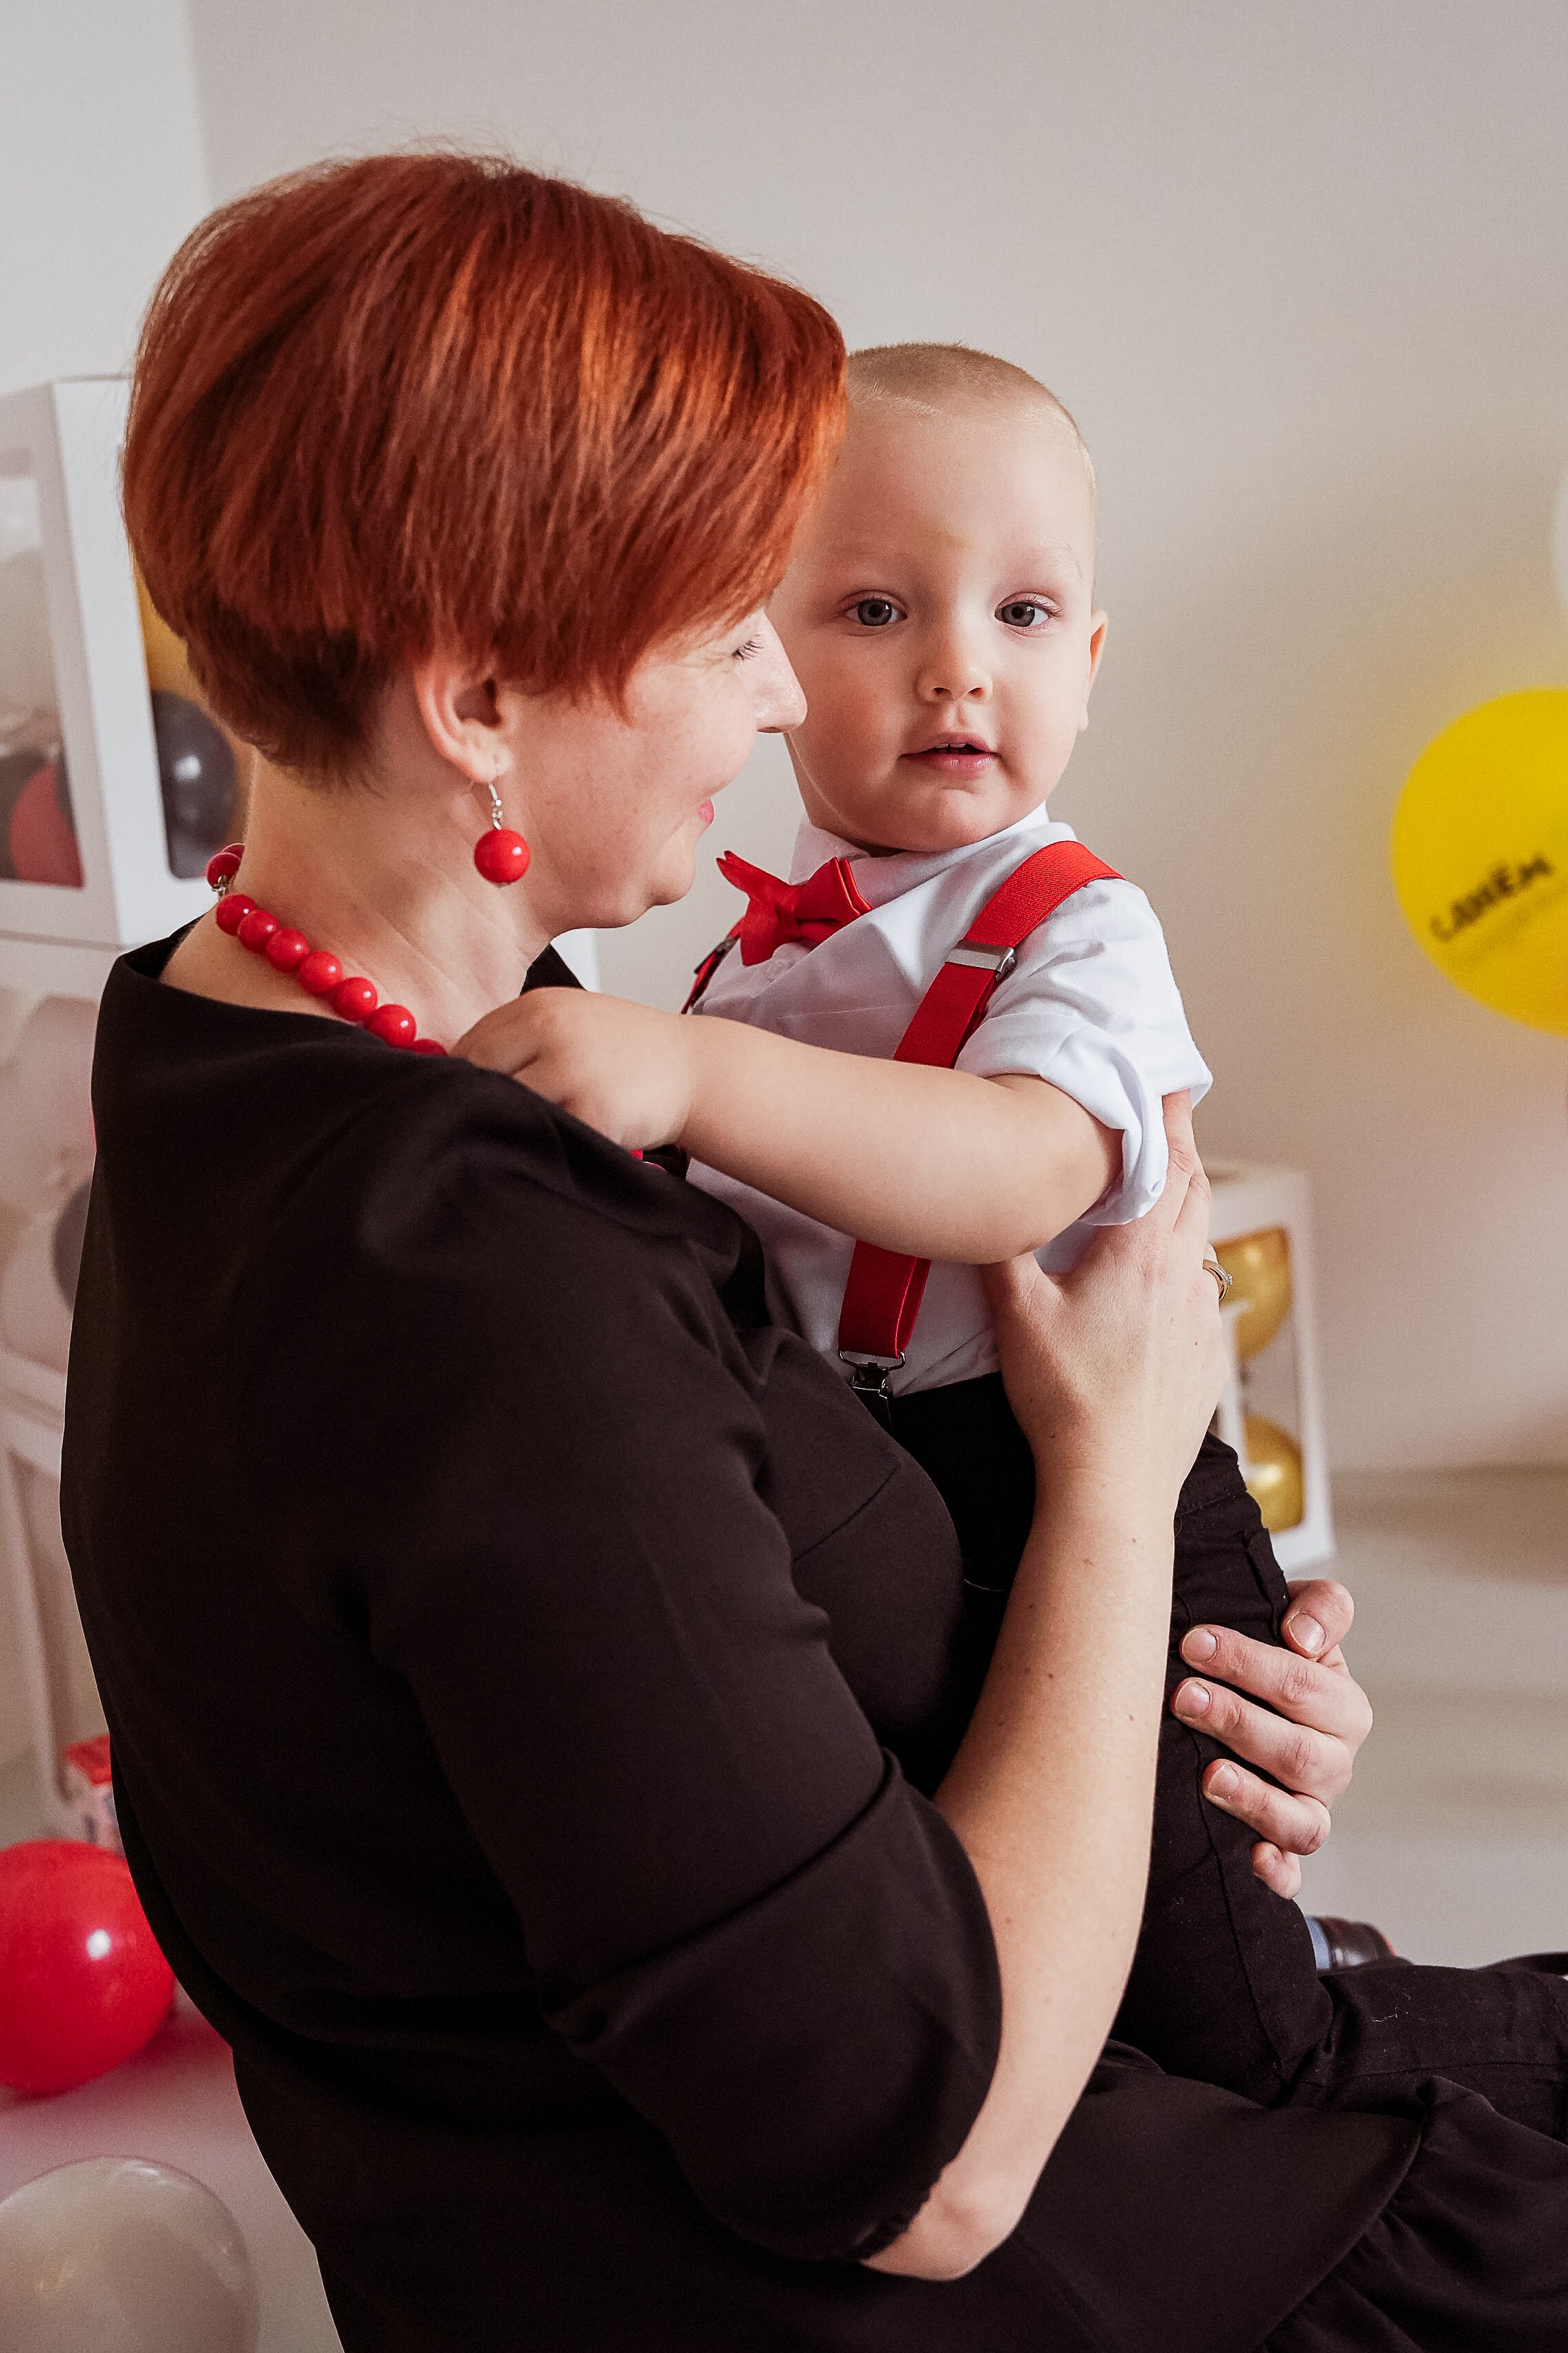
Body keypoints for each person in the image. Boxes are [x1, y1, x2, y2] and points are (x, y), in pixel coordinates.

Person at [64, 153, 1567, 2353]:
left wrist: (1185, 1693)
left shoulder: (222, 1042)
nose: (779, 705)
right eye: (723, 632)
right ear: (479, 698)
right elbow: (923, 2160)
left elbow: (686, 1626)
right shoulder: (474, 1269)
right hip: (991, 2247)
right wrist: (1123, 1510)